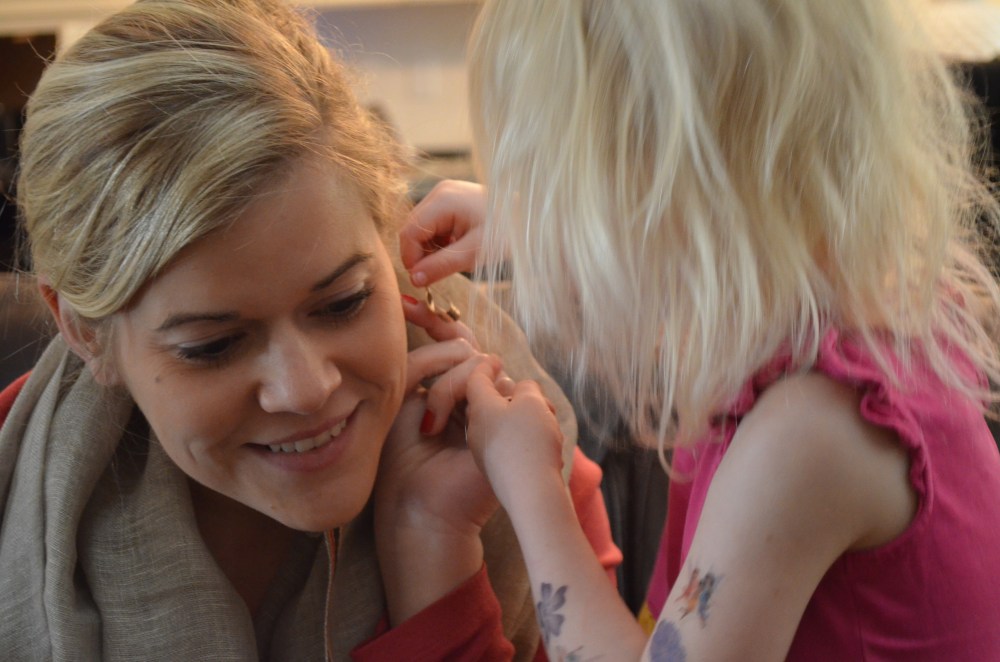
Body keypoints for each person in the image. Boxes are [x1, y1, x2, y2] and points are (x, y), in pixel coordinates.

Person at [0, 0, 621, 659]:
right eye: (212, 346)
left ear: (391, 242)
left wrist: (431, 554)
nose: (304, 389)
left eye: (344, 302)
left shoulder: (528, 473)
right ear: (85, 333)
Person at [400, 0, 1000, 659]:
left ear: (680, 200)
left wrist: (529, 485)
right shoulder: (848, 307)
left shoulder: (813, 433)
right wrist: (542, 227)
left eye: (565, 194)